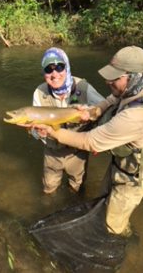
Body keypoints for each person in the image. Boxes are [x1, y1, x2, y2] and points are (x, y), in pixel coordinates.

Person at [32, 46, 143, 236]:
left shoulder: (136, 116)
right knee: (102, 203)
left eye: (115, 77)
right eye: (48, 69)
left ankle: (118, 245)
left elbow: (90, 142)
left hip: (132, 179)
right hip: (119, 168)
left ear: (135, 77)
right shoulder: (132, 92)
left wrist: (53, 132)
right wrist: (93, 111)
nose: (108, 81)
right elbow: (110, 100)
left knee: (112, 225)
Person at [32, 47, 104, 194]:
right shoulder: (39, 93)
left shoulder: (84, 87)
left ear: (67, 67)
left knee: (76, 188)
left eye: (59, 67)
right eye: (48, 69)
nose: (54, 74)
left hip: (77, 152)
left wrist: (91, 116)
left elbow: (104, 109)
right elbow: (33, 129)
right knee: (49, 188)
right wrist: (36, 132)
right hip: (52, 152)